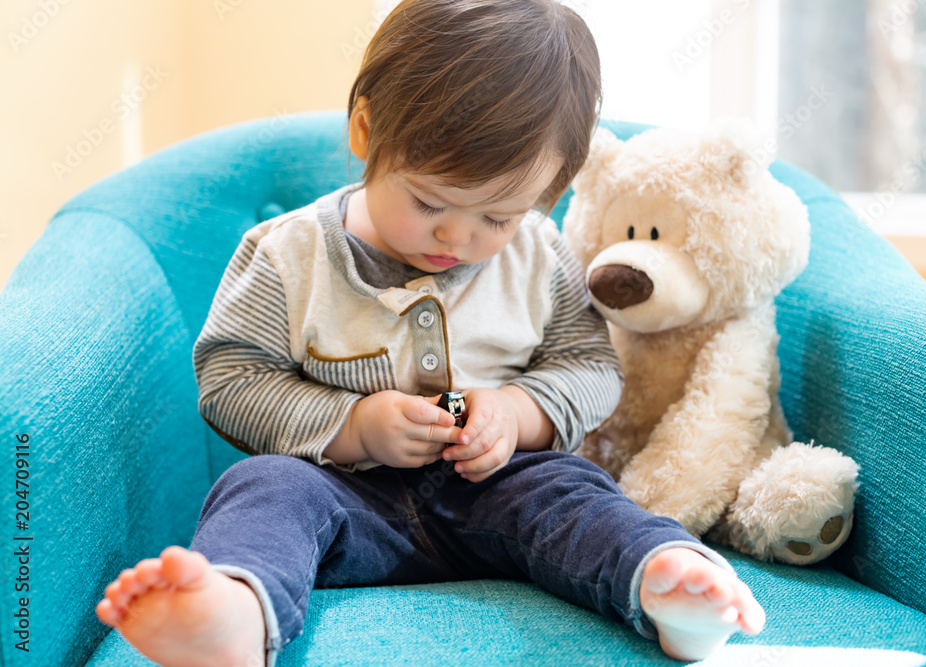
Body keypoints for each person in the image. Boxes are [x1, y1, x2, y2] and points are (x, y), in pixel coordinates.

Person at [94, 1, 766, 665]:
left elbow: (589, 365)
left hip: (500, 489)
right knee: (265, 488)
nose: (458, 236)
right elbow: (231, 380)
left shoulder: (539, 254)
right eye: (429, 203)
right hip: (343, 498)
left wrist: (517, 412)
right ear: (365, 131)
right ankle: (236, 612)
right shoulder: (286, 256)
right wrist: (352, 424)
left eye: (498, 215)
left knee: (573, 489)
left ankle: (666, 583)